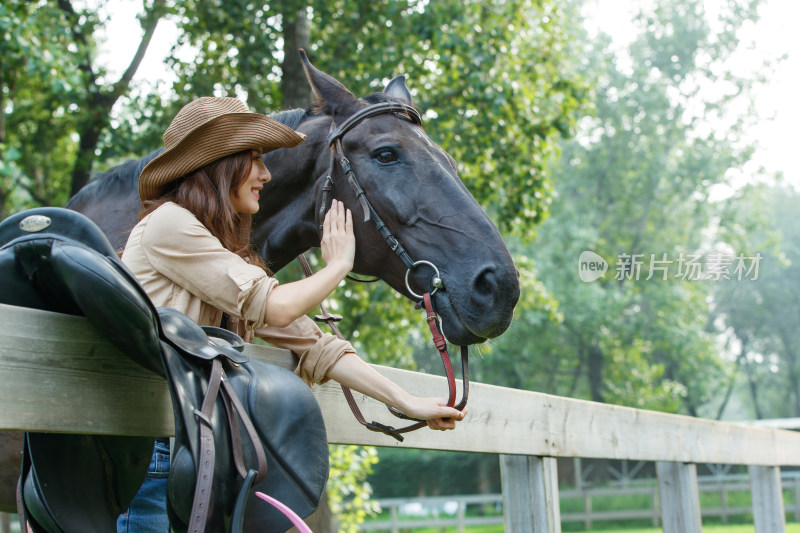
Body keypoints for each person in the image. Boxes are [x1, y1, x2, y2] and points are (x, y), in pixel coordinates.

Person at [117, 96, 466, 531]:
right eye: (256, 160)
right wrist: (337, 265)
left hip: (194, 448)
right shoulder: (168, 224)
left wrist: (406, 401)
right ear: (219, 162)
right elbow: (276, 307)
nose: (266, 174)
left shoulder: (215, 250)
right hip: (152, 451)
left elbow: (315, 344)